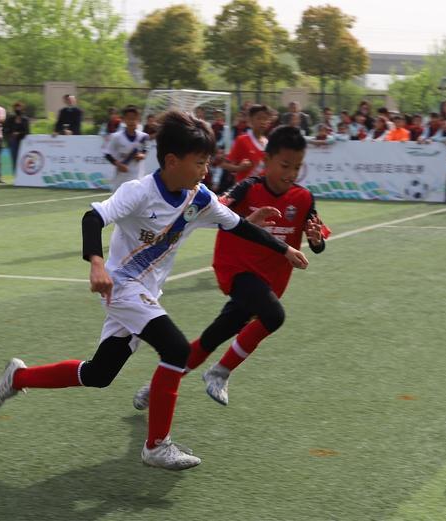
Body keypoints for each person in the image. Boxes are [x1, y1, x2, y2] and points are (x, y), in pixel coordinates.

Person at [0, 110, 309, 471]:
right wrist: (95, 262)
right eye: (199, 162)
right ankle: (157, 446)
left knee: (99, 374)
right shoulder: (138, 192)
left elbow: (236, 227)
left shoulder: (198, 197)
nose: (205, 171)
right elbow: (93, 218)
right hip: (122, 286)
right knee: (175, 349)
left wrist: (283, 248)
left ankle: (18, 377)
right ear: (172, 161)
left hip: (145, 294)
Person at [132, 125, 326, 410]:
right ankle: (219, 372)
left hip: (270, 283)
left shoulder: (304, 198)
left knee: (211, 338)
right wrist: (245, 219)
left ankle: (155, 387)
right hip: (237, 270)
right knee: (273, 316)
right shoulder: (249, 188)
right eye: (285, 165)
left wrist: (316, 241)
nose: (291, 173)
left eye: (297, 167)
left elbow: (318, 241)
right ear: (267, 160)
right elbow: (215, 210)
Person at [103, 105, 150, 192]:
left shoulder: (143, 136)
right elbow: (107, 153)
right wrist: (118, 164)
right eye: (129, 118)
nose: (132, 121)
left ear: (138, 119)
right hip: (121, 177)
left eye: (134, 118)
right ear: (124, 120)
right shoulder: (116, 136)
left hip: (137, 177)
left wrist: (142, 155)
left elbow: (145, 150)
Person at [222, 104, 270, 183]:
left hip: (260, 189)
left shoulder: (267, 143)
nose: (263, 122)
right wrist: (239, 168)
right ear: (250, 120)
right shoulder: (242, 140)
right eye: (259, 118)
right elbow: (224, 164)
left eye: (265, 119)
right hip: (243, 189)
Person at [3, 101, 30, 171]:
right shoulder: (10, 119)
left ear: (22, 109)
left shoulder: (25, 119)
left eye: (19, 108)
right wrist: (10, 134)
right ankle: (16, 175)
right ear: (14, 109)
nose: (18, 109)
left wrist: (19, 133)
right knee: (14, 158)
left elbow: (27, 132)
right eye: (16, 108)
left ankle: (24, 175)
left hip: (23, 142)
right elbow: (5, 129)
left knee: (24, 158)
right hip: (13, 141)